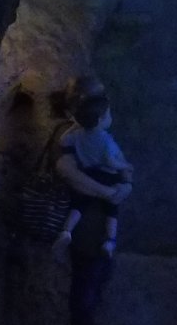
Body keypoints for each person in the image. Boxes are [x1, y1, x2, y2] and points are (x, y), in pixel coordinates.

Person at [55, 86, 132, 325]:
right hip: (94, 222)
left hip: (86, 215)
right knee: (88, 281)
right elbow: (67, 172)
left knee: (88, 280)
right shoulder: (86, 139)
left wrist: (120, 185)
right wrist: (111, 189)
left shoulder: (73, 137)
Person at [53, 94, 134, 258]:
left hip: (88, 172)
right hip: (107, 175)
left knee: (79, 205)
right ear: (99, 120)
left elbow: (63, 141)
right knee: (111, 210)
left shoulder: (78, 135)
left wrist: (75, 125)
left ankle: (66, 231)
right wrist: (125, 165)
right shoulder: (105, 140)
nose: (110, 117)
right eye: (108, 115)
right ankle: (110, 240)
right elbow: (111, 161)